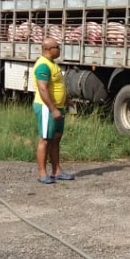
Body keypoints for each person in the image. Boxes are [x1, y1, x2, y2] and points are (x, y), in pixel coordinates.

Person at [32, 38, 73, 184]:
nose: (59, 49)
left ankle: (57, 171)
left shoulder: (52, 64)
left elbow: (58, 85)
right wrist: (52, 109)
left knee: (56, 138)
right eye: (57, 47)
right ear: (48, 49)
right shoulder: (43, 65)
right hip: (46, 108)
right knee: (45, 139)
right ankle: (42, 173)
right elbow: (43, 89)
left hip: (58, 107)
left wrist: (66, 100)